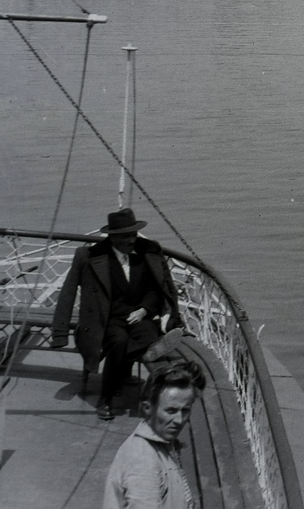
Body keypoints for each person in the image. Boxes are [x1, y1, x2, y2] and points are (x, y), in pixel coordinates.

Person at [51, 208, 184, 421]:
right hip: (107, 319)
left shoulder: (146, 253)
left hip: (138, 315)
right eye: (125, 236)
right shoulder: (90, 256)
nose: (132, 240)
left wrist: (144, 310)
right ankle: (106, 398)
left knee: (146, 332)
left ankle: (149, 350)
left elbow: (155, 289)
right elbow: (67, 293)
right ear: (112, 237)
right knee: (119, 341)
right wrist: (59, 334)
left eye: (134, 234)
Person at [103, 359, 207, 509]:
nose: (179, 420)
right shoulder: (142, 461)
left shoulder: (161, 443)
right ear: (147, 408)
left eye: (185, 410)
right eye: (170, 411)